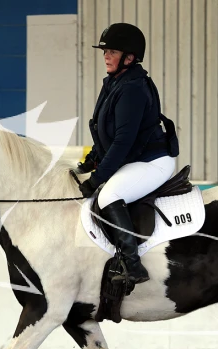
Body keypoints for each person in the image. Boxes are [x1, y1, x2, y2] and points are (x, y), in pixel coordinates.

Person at [77, 22, 180, 286]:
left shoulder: (133, 88)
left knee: (109, 195)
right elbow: (105, 131)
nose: (106, 56)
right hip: (134, 158)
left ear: (129, 57)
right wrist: (89, 162)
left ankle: (132, 265)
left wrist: (97, 178)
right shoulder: (114, 82)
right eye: (105, 51)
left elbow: (123, 141)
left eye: (112, 51)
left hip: (152, 162)